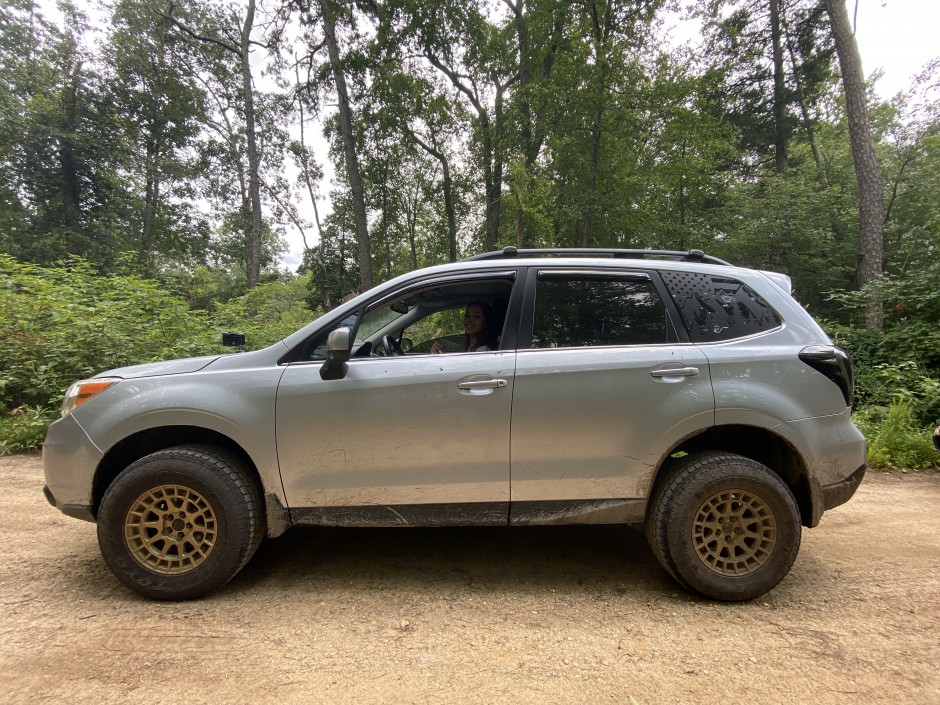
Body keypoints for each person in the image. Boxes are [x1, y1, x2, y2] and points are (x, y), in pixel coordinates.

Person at [432, 301, 498, 353]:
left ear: (486, 322)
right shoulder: (470, 348)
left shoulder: (483, 351)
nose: (469, 320)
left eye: (476, 316)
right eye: (467, 315)